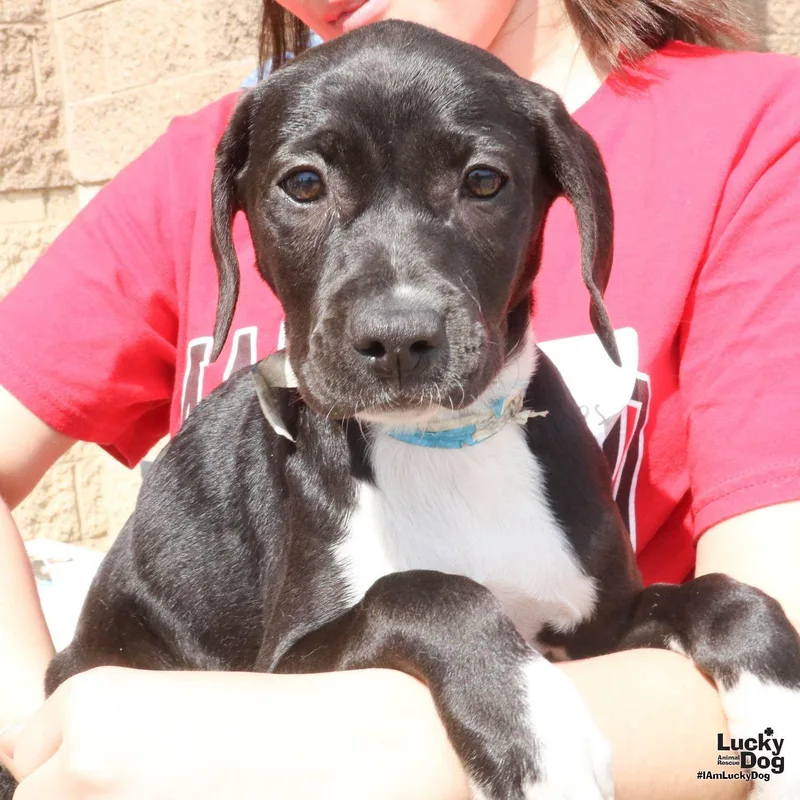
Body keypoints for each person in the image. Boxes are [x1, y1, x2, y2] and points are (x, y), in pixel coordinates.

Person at [1, 0, 799, 797]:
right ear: (239, 207)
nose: (393, 317)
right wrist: (40, 744)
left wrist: (465, 748)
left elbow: (746, 753)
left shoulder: (760, 138)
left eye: (480, 182)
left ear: (566, 198)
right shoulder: (225, 145)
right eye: (304, 186)